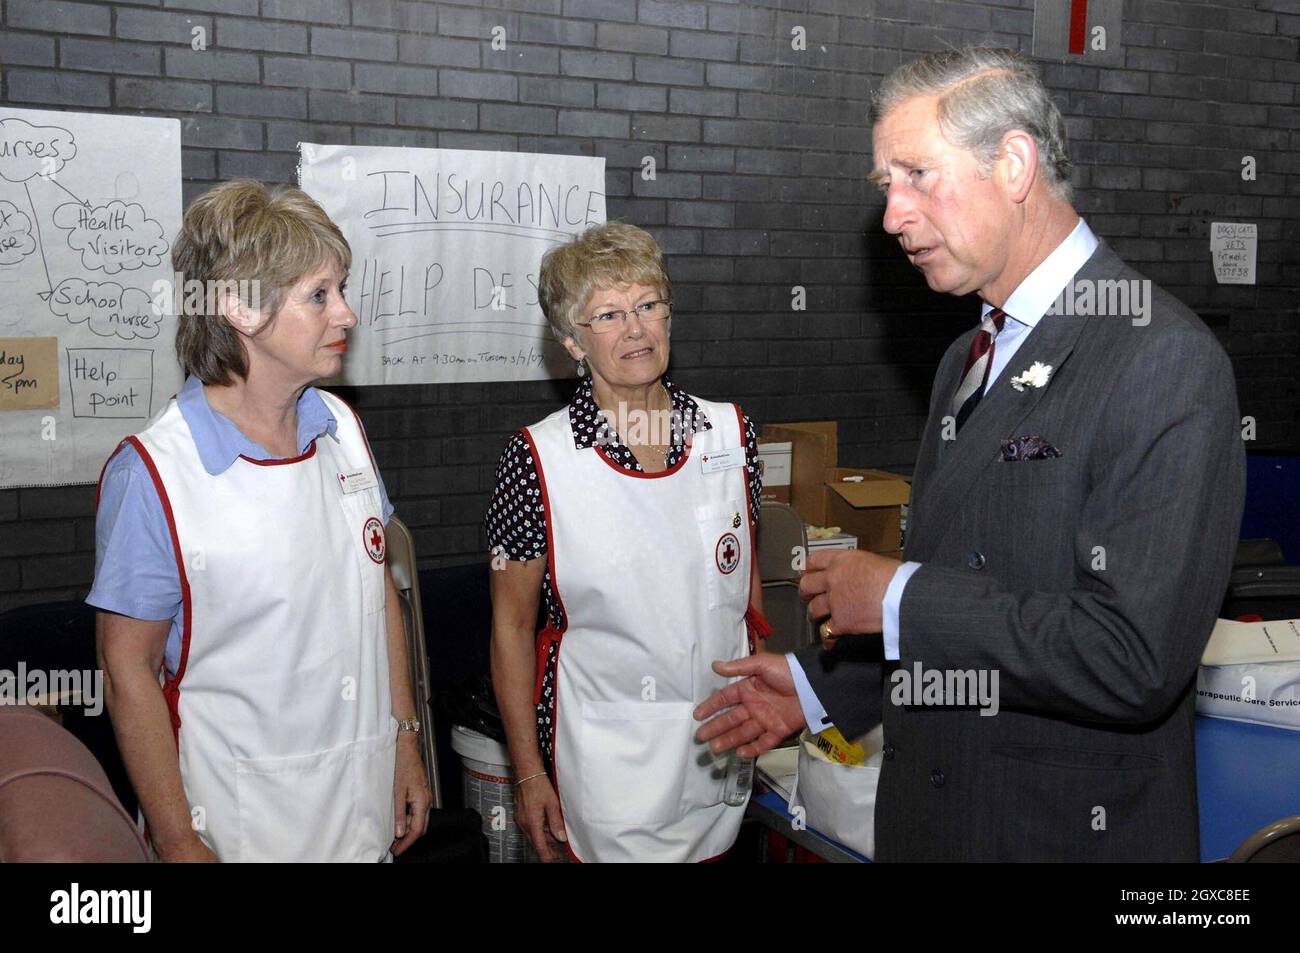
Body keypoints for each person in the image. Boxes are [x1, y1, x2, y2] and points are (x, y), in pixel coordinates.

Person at [696, 47, 1245, 862]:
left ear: (1014, 164)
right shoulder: (967, 357)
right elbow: (974, 600)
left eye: (918, 174)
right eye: (888, 185)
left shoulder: (1160, 357)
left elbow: (1133, 657)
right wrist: (819, 687)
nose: (893, 216)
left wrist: (897, 598)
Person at [88, 180, 431, 862]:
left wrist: (404, 736)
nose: (347, 314)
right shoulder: (154, 474)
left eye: (342, 289)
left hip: (362, 811)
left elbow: (378, 593)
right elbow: (128, 670)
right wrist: (180, 837)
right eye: (320, 294)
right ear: (241, 309)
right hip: (239, 829)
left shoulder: (342, 428)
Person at [486, 222, 768, 862]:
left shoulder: (731, 434)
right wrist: (527, 772)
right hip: (608, 769)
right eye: (608, 315)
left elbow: (744, 591)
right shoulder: (538, 460)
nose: (636, 330)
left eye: (647, 305)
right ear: (570, 341)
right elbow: (510, 626)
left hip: (721, 752)